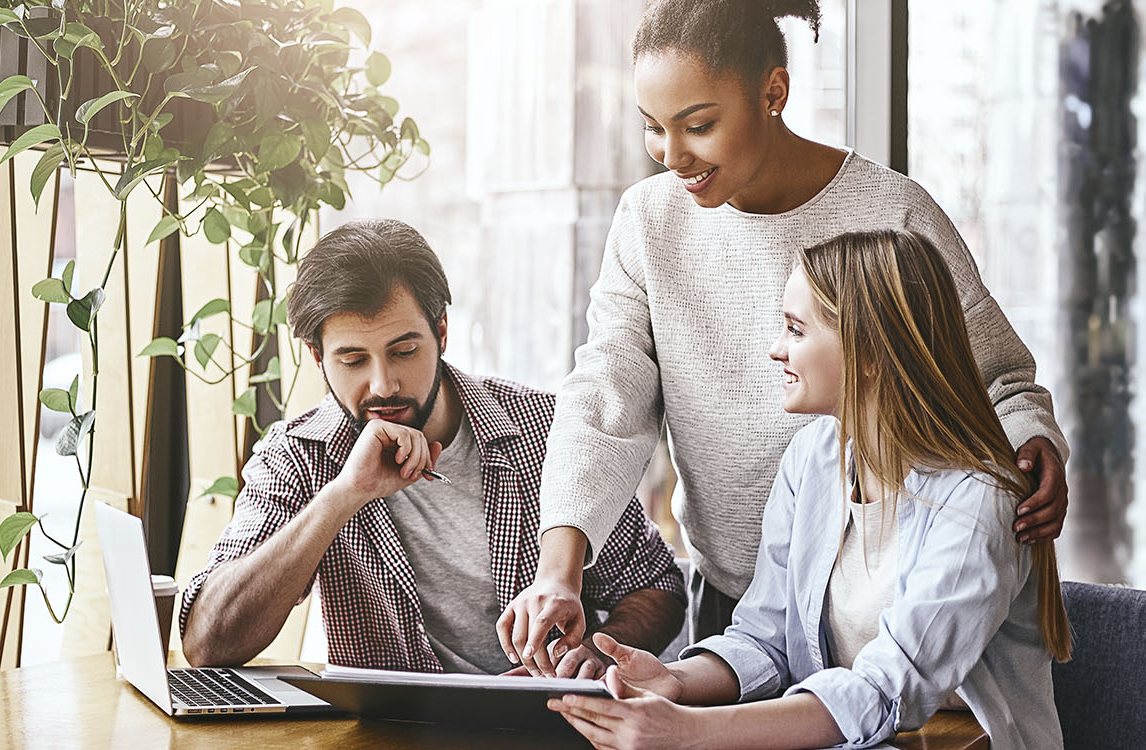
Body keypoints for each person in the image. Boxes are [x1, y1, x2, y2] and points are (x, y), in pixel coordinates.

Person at [499, 0, 1071, 676]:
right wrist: (558, 571)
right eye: (653, 128)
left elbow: (996, 376)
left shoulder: (893, 213)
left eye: (699, 125)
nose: (673, 155)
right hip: (744, 612)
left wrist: (1028, 437)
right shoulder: (647, 221)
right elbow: (604, 397)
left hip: (887, 607)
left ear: (774, 91)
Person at [548, 229, 1070, 750]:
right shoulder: (813, 458)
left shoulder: (979, 497)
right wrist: (675, 682)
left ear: (871, 351)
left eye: (796, 330)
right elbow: (764, 639)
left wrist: (686, 732)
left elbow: (884, 691)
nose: (776, 350)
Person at [179, 218, 687, 676]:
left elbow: (656, 585)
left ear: (441, 331)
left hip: (542, 726)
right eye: (353, 360)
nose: (383, 384)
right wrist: (342, 496)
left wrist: (598, 654)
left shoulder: (549, 429)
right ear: (317, 357)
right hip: (389, 737)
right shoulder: (298, 456)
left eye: (404, 351)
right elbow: (207, 642)